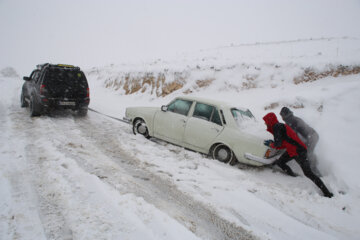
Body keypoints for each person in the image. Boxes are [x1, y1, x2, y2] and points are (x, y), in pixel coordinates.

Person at [263, 112, 333, 198]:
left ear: (270, 121)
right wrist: (273, 144)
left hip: (298, 151)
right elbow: (283, 143)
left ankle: (327, 193)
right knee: (280, 162)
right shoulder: (279, 126)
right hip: (292, 150)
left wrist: (271, 144)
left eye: (266, 121)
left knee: (308, 173)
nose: (265, 123)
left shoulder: (277, 127)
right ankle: (294, 176)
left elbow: (278, 144)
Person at [280, 107, 320, 175]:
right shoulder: (292, 119)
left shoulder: (291, 121)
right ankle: (315, 165)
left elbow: (293, 136)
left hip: (312, 137)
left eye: (282, 115)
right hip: (313, 136)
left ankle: (316, 172)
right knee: (307, 151)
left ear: (285, 115)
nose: (282, 118)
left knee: (307, 153)